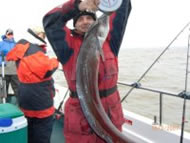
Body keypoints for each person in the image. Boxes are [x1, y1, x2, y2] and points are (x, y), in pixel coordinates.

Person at [43, 0, 131, 142]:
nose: (85, 22)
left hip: (111, 116)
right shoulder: (66, 46)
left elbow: (121, 9)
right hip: (80, 120)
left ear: (96, 22)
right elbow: (51, 21)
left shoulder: (110, 41)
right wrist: (78, 5)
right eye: (80, 19)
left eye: (89, 18)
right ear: (75, 25)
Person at [6, 26, 59, 143]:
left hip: (26, 96)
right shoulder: (33, 50)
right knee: (42, 135)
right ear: (34, 35)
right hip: (40, 101)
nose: (43, 37)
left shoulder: (22, 49)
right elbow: (46, 69)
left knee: (28, 132)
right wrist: (56, 60)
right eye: (41, 35)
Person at [0, 29, 19, 104]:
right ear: (6, 35)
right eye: (9, 34)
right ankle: (2, 105)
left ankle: (20, 106)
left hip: (14, 70)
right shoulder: (1, 43)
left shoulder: (16, 44)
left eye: (11, 34)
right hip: (4, 69)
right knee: (3, 88)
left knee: (17, 88)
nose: (10, 35)